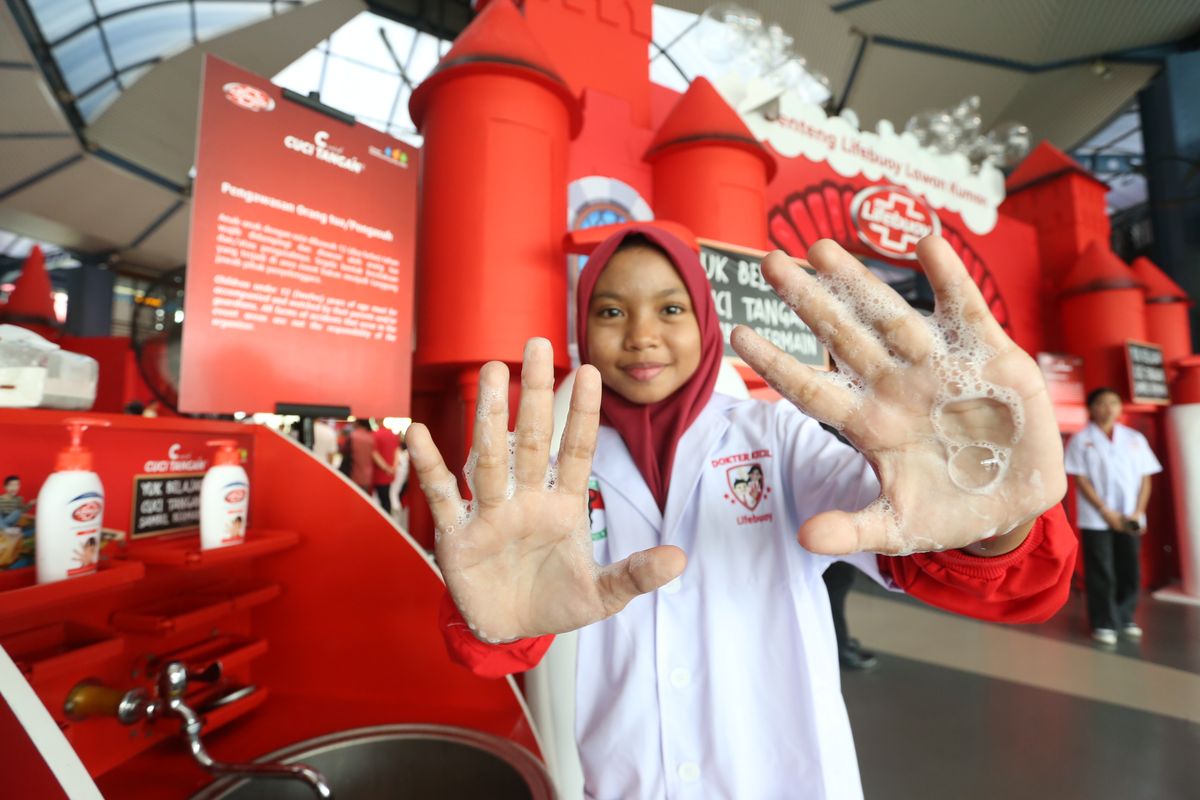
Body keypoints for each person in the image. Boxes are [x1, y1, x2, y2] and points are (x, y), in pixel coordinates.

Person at [408, 226, 1077, 798]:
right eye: (611, 312)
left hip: (781, 777)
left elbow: (951, 553)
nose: (641, 336)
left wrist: (993, 514)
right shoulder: (547, 469)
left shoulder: (775, 438)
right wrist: (488, 622)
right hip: (624, 776)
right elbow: (505, 630)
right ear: (583, 324)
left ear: (703, 315)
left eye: (669, 309)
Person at [1064, 387, 1162, 645]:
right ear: (1091, 407)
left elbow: (1146, 477)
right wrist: (1105, 511)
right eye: (1103, 403)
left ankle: (1125, 616)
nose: (1109, 408)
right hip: (1097, 517)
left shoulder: (1134, 438)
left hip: (1131, 514)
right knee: (1101, 570)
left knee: (1130, 568)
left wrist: (1138, 511)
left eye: (1114, 402)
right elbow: (1080, 479)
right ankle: (1104, 622)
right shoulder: (1081, 439)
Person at [371, 422, 399, 513]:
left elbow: (374, 454)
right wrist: (393, 468)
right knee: (386, 498)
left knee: (381, 500)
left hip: (379, 474)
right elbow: (397, 451)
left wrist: (386, 468)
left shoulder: (374, 435)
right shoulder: (392, 435)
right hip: (389, 473)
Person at [348, 418, 376, 495]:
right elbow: (374, 455)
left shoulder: (353, 436)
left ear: (357, 422)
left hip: (354, 474)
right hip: (368, 475)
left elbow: (346, 454)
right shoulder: (371, 437)